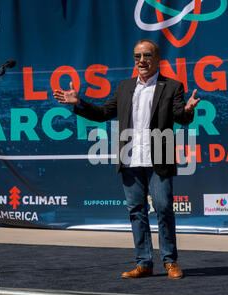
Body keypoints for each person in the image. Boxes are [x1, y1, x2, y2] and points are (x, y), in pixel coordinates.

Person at [54, 39, 200, 279]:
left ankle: (170, 261)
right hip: (130, 158)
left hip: (159, 159)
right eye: (137, 56)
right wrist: (79, 103)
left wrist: (187, 111)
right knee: (136, 212)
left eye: (146, 55)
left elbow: (180, 118)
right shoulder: (124, 87)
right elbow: (102, 114)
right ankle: (144, 262)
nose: (141, 61)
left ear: (157, 59)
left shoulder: (172, 86)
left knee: (163, 209)